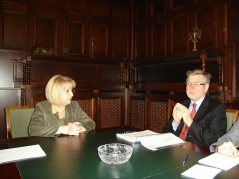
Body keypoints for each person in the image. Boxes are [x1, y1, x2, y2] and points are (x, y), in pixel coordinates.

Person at [163, 69, 227, 146]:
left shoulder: (216, 108)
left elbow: (215, 140)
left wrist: (190, 122)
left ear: (206, 87)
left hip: (198, 152)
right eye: (189, 83)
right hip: (175, 149)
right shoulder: (182, 104)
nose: (191, 87)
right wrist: (175, 122)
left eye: (196, 84)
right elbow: (165, 135)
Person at [28, 75, 96, 137]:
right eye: (67, 91)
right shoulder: (42, 107)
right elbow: (33, 129)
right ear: (55, 92)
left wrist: (80, 128)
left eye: (71, 90)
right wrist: (63, 129)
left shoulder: (74, 105)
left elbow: (91, 123)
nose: (72, 94)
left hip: (72, 147)